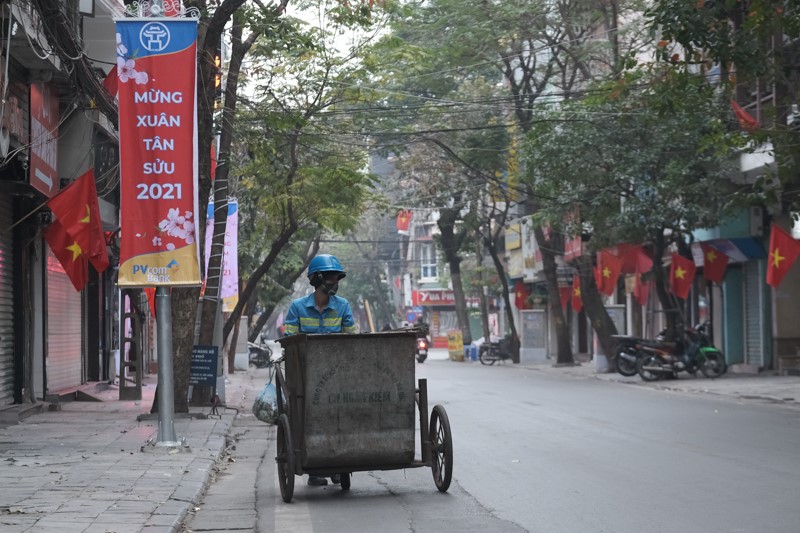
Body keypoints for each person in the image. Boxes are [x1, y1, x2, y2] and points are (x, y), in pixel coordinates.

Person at [283, 254, 356, 486]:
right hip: (306, 375)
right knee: (308, 417)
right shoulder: (297, 308)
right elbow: (289, 341)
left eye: (337, 278)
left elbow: (351, 341)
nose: (335, 282)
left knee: (341, 416)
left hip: (337, 375)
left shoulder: (343, 306)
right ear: (318, 279)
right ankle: (314, 467)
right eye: (331, 278)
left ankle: (339, 462)